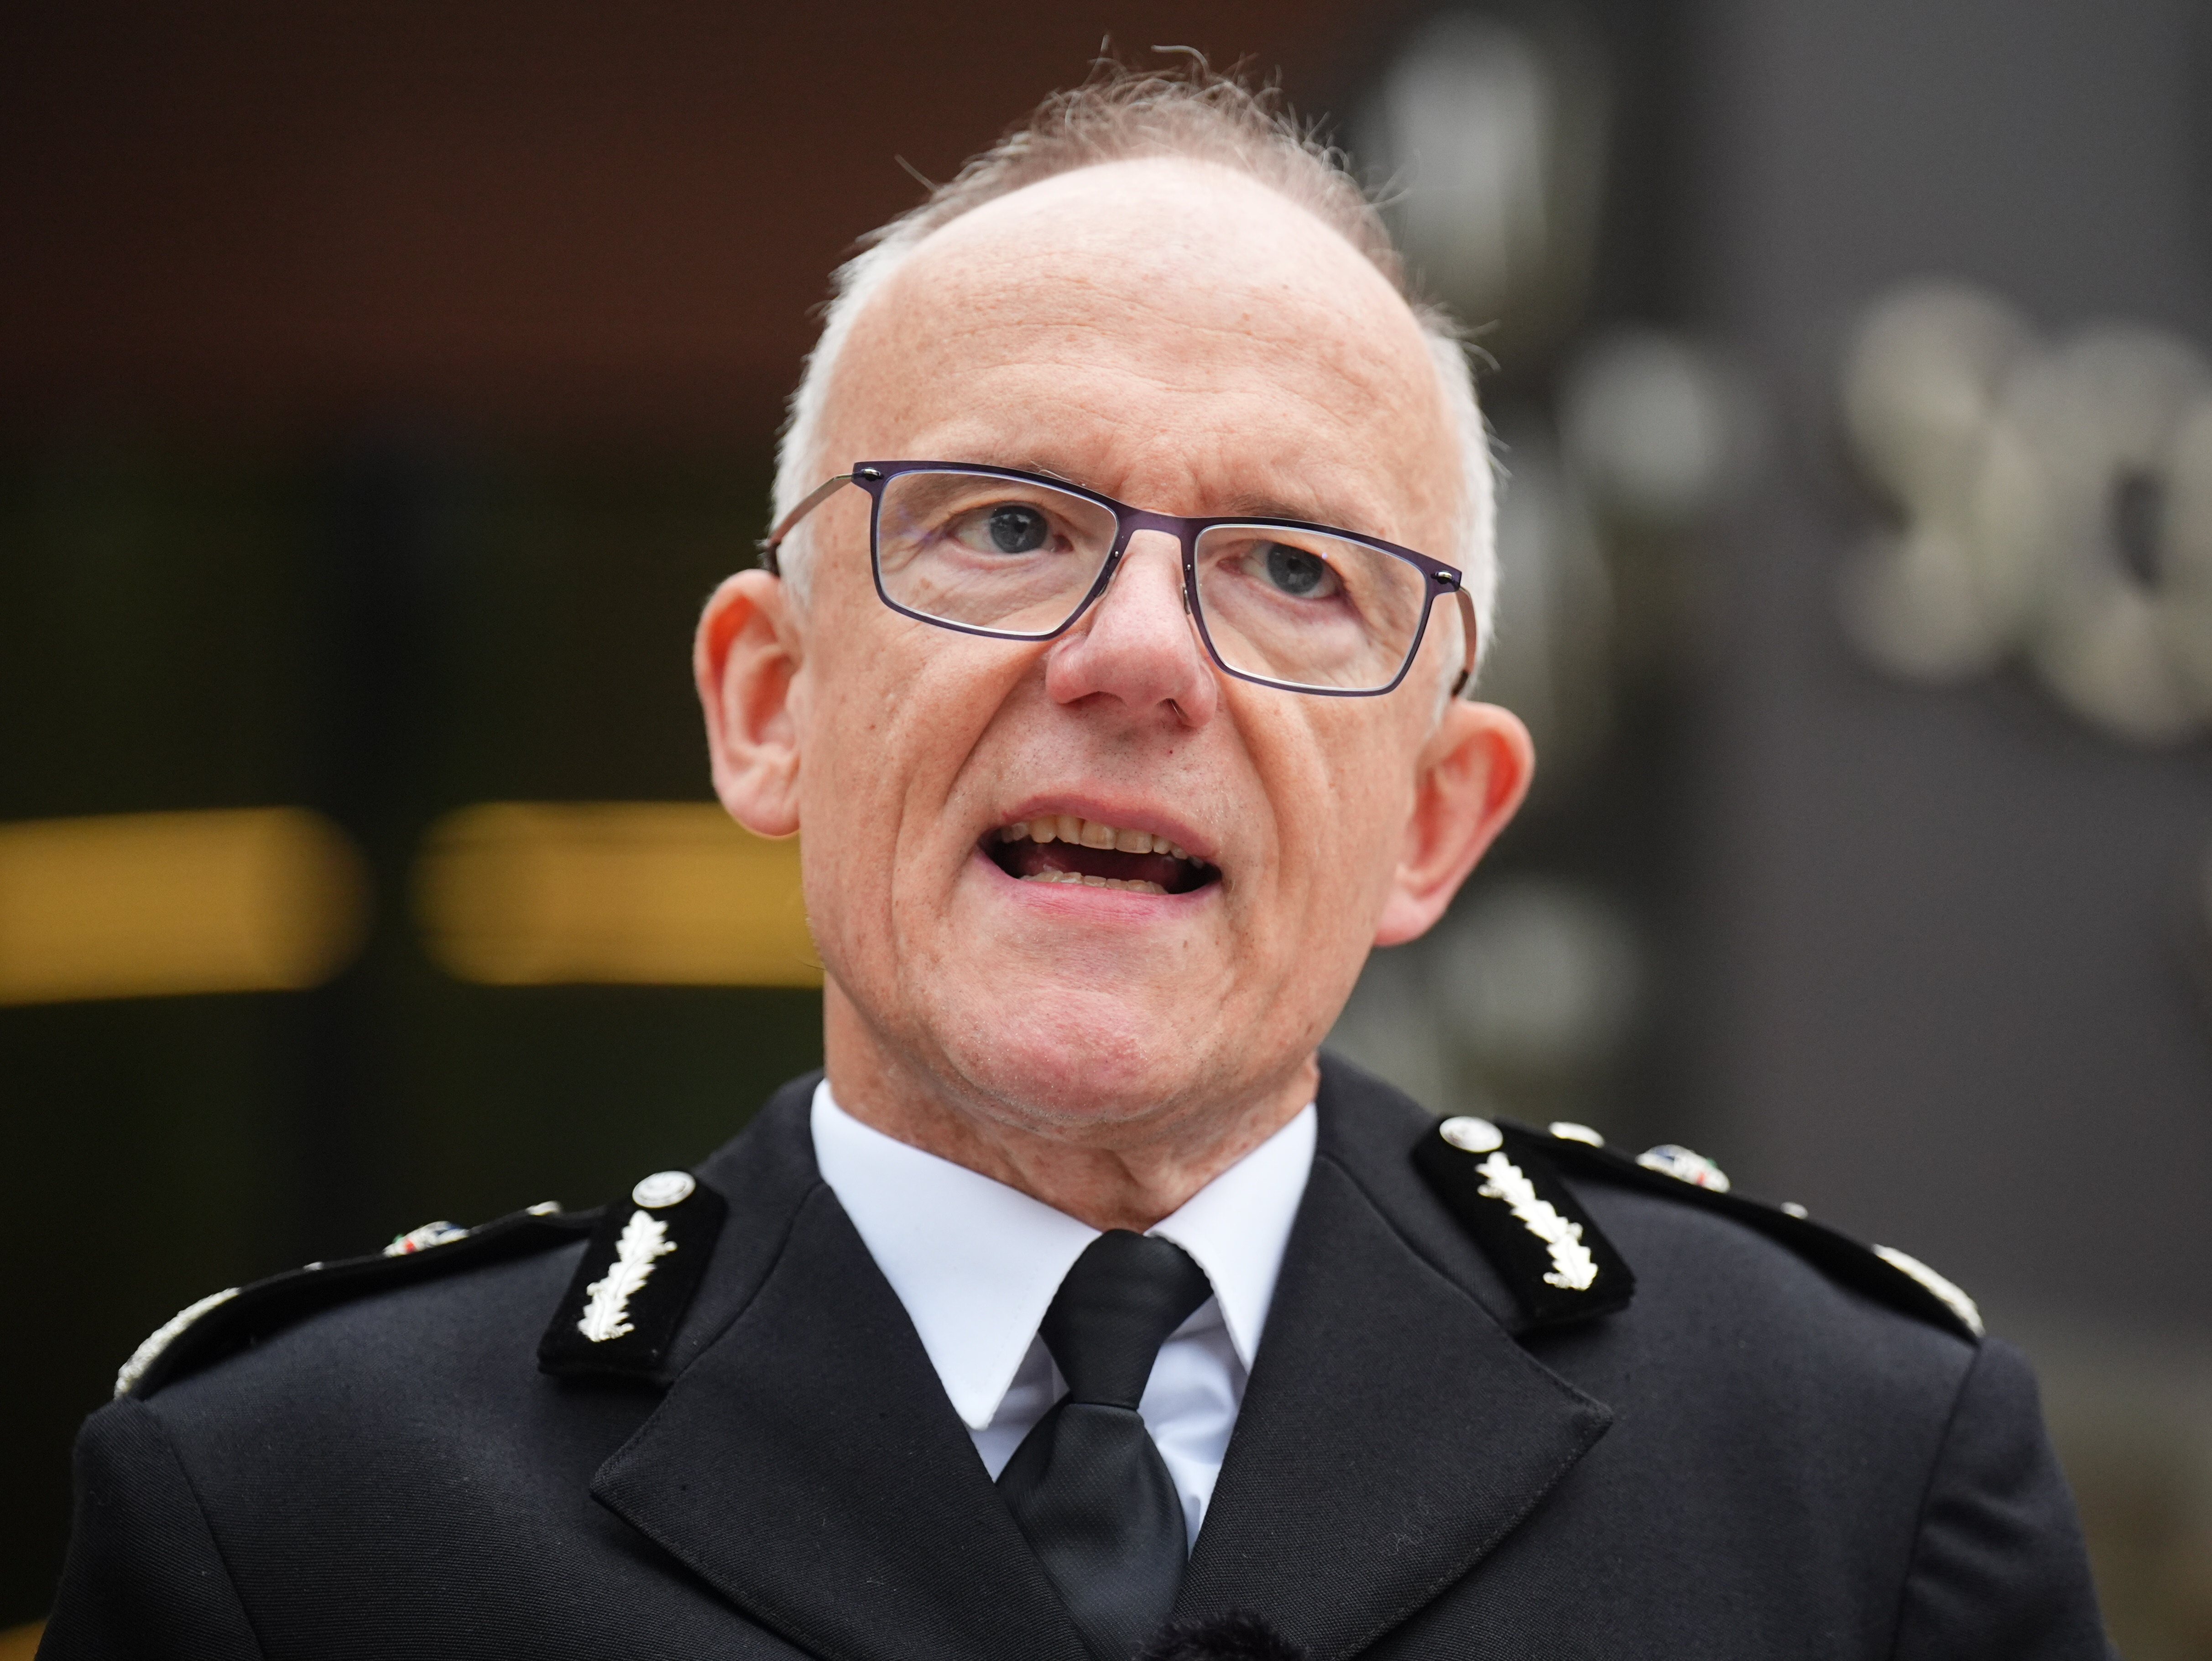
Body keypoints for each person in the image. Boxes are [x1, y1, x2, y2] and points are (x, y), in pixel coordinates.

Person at [41, 68, 2112, 1661]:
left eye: (1293, 567)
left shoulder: (1854, 1476)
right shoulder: (293, 1512)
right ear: (768, 705)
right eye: (1009, 526)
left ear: (1436, 818)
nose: (1137, 658)